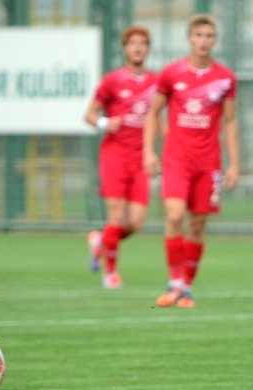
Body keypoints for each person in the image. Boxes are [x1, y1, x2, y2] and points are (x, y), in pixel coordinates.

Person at [143, 13, 239, 308]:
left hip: (208, 163)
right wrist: (149, 151)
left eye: (209, 36)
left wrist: (234, 164)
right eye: (198, 35)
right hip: (176, 159)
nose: (203, 41)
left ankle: (186, 287)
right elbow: (153, 113)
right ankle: (174, 282)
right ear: (189, 39)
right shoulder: (171, 73)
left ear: (214, 40)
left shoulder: (225, 78)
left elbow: (230, 122)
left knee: (197, 225)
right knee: (174, 216)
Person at [84, 26, 158, 289]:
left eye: (143, 43)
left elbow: (158, 119)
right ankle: (111, 274)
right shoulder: (112, 80)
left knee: (135, 222)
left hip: (141, 159)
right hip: (114, 155)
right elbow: (89, 115)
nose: (138, 48)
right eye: (133, 43)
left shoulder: (156, 82)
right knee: (116, 215)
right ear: (125, 48)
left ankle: (100, 241)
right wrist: (105, 122)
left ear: (148, 49)